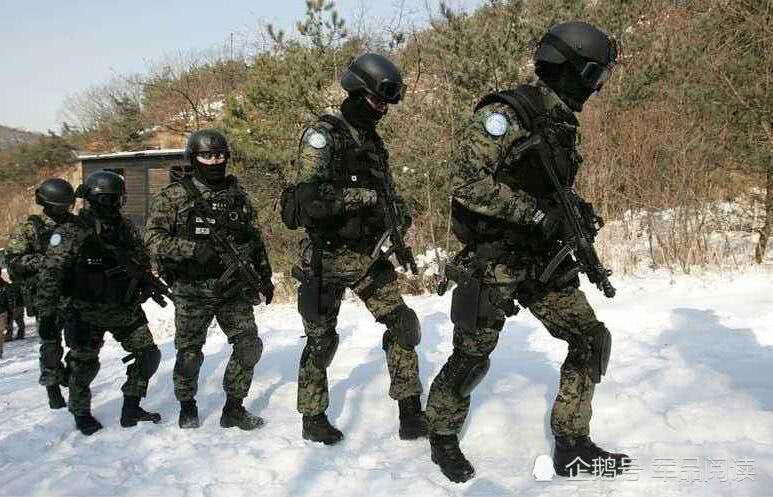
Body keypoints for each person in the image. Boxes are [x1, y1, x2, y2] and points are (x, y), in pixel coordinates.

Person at [424, 21, 628, 482]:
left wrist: (575, 211)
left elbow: (548, 187)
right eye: (593, 75)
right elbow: (465, 182)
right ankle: (441, 434)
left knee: (590, 339)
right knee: (471, 356)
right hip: (495, 258)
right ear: (567, 67)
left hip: (542, 259)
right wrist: (535, 214)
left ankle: (571, 443)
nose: (596, 88)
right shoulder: (505, 115)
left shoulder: (560, 123)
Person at [281, 53, 426, 445]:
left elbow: (387, 193)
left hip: (366, 256)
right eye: (377, 101)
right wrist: (367, 198)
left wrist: (399, 213)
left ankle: (411, 411)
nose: (381, 111)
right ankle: (313, 416)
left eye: (385, 104)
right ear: (357, 92)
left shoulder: (374, 144)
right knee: (321, 340)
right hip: (325, 256)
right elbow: (311, 198)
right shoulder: (323, 135)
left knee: (402, 324)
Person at [144, 128, 273, 431]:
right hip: (191, 290)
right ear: (194, 158)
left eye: (219, 155)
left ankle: (234, 408)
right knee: (189, 353)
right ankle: (187, 404)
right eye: (207, 155)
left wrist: (264, 276)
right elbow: (151, 239)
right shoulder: (174, 196)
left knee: (249, 345)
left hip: (233, 289)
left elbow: (254, 241)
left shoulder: (239, 197)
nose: (215, 161)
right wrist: (191, 249)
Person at [37, 171, 163, 435]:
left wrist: (144, 284)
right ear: (94, 199)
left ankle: (131, 406)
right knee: (84, 366)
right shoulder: (71, 231)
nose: (115, 205)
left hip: (124, 308)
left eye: (119, 199)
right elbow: (51, 277)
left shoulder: (126, 228)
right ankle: (81, 413)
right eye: (110, 199)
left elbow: (141, 261)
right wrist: (47, 319)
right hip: (85, 311)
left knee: (149, 355)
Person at [6, 178, 78, 408]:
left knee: (81, 342)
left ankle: (71, 377)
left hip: (76, 295)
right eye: (59, 206)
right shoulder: (31, 228)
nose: (63, 210)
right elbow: (13, 261)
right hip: (46, 297)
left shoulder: (76, 225)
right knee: (50, 345)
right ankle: (52, 388)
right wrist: (46, 261)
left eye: (66, 206)